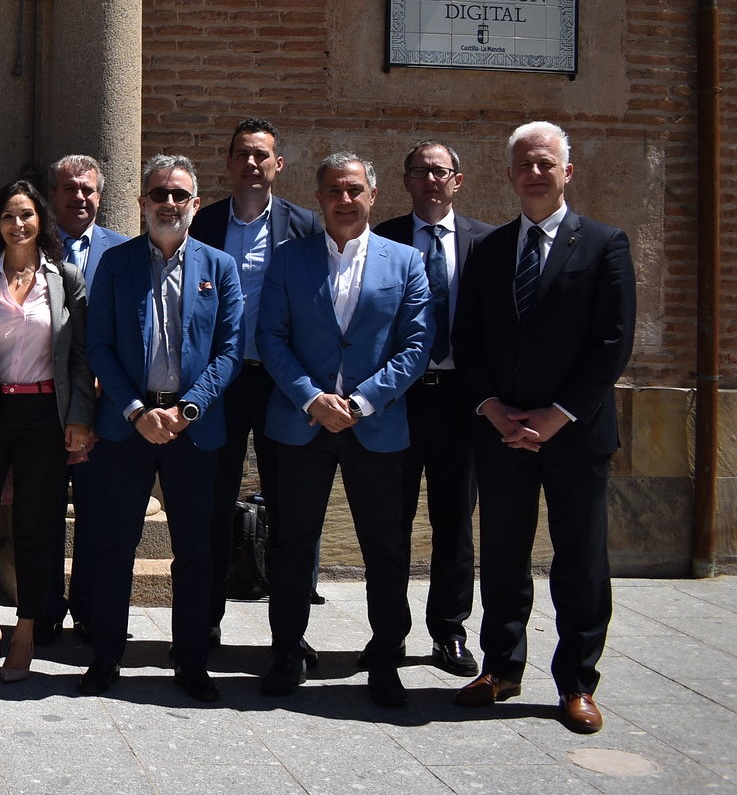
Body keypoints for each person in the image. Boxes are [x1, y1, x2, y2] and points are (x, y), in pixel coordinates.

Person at [452, 121, 635, 735]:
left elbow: (613, 343)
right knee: (503, 555)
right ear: (509, 175)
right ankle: (501, 669)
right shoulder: (489, 250)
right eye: (524, 164)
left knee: (579, 558)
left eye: (546, 164)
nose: (535, 173)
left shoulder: (605, 245)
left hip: (575, 434)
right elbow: (469, 339)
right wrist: (491, 407)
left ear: (567, 172)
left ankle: (577, 682)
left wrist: (559, 415)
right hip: (502, 432)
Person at [256, 153, 432, 707]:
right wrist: (311, 398)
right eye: (334, 189)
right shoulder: (289, 260)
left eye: (354, 188)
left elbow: (416, 346)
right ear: (320, 197)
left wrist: (360, 401)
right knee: (290, 544)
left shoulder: (405, 262)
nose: (345, 198)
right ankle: (287, 649)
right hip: (300, 422)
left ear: (373, 195)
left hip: (374, 428)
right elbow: (271, 339)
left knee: (384, 547)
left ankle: (386, 657)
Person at [81, 155, 243, 702]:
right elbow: (97, 345)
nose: (168, 204)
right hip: (128, 425)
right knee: (112, 544)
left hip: (192, 428)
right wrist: (134, 411)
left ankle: (191, 659)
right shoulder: (116, 264)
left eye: (179, 195)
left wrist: (187, 410)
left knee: (196, 550)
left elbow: (229, 351)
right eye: (158, 195)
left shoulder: (220, 268)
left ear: (195, 204)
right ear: (142, 203)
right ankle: (106, 655)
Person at [0, 179, 94, 683]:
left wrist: (79, 417)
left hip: (44, 417)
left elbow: (78, 354)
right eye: (9, 215)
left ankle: (25, 631)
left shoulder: (65, 278)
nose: (18, 224)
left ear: (40, 222)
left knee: (34, 528)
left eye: (27, 214)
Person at [190, 117, 320, 631]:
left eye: (261, 155)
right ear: (227, 163)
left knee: (292, 505)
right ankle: (207, 620)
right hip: (219, 381)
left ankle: (292, 632)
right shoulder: (203, 223)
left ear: (278, 164)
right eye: (242, 154)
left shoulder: (306, 226)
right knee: (213, 502)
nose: (251, 163)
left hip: (283, 382)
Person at [375, 140, 493, 676]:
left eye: (440, 171)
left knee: (455, 523)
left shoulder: (487, 243)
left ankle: (449, 631)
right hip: (398, 399)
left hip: (462, 403)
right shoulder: (382, 240)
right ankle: (389, 634)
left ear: (458, 180)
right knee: (390, 522)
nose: (430, 180)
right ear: (405, 181)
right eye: (419, 170)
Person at [45, 153, 129, 640]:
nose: (80, 197)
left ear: (100, 196)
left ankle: (90, 608)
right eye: (69, 188)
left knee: (99, 511)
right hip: (42, 401)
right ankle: (47, 607)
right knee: (45, 510)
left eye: (88, 190)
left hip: (105, 401)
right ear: (53, 194)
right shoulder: (30, 247)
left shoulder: (123, 252)